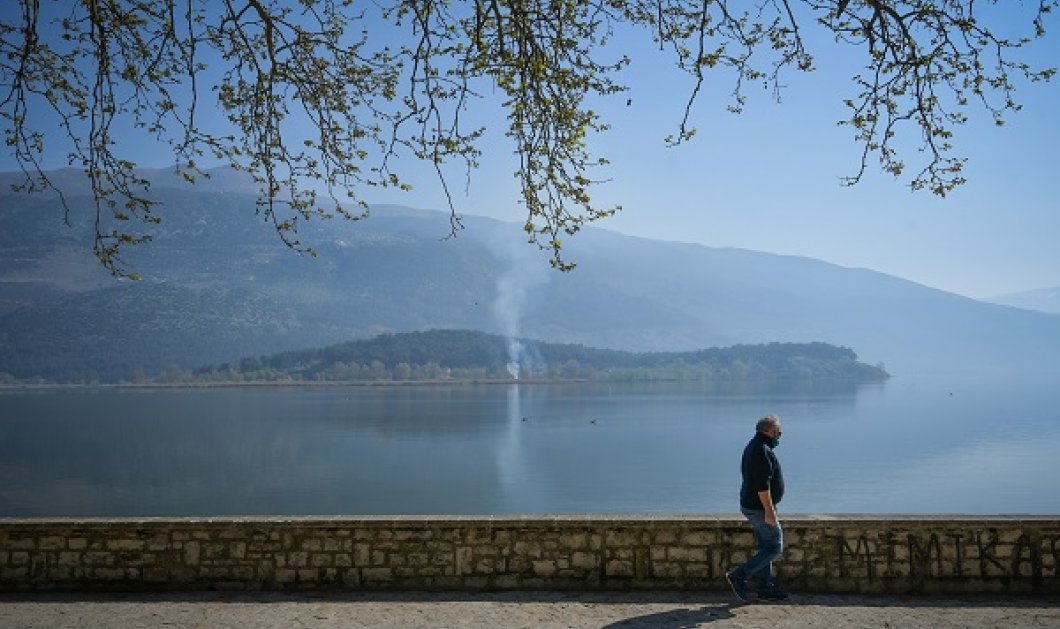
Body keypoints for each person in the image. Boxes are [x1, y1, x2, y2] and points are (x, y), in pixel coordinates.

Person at [725, 414, 789, 602]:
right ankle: (739, 576)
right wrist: (769, 511)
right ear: (770, 431)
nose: (780, 435)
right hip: (759, 508)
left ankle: (766, 587)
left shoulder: (754, 446)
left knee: (765, 547)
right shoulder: (761, 450)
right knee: (775, 547)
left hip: (754, 505)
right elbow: (762, 485)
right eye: (779, 432)